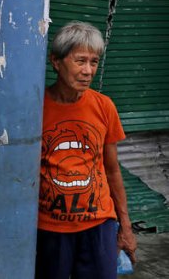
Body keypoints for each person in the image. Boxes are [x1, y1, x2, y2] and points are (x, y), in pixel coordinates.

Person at [36, 21, 137, 279]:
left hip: (99, 223)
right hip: (51, 226)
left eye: (94, 62)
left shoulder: (104, 106)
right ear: (56, 61)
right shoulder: (35, 107)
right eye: (80, 61)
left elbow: (112, 169)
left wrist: (125, 226)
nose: (88, 71)